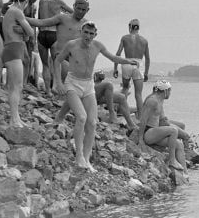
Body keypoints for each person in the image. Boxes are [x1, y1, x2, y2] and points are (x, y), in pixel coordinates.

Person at [54, 21, 138, 172]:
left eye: (91, 34)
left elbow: (113, 58)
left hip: (88, 85)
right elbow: (57, 61)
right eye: (86, 32)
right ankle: (78, 155)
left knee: (92, 122)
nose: (88, 36)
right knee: (81, 117)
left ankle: (87, 159)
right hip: (73, 83)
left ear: (95, 35)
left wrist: (127, 61)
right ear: (81, 31)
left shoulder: (97, 45)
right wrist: (58, 83)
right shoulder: (71, 45)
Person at [26, 0, 89, 96]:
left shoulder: (86, 24)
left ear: (87, 10)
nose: (80, 12)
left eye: (83, 10)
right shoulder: (62, 18)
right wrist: (22, 18)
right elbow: (42, 22)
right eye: (78, 8)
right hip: (62, 58)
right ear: (74, 7)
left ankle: (64, 103)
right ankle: (56, 91)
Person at [53, 70, 139, 131]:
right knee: (108, 85)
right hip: (82, 91)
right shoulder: (68, 56)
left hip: (93, 92)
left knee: (122, 97)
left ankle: (131, 124)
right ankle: (112, 114)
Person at [0, 0, 34, 128]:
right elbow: (30, 32)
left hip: (12, 49)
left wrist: (22, 31)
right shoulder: (16, 12)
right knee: (16, 87)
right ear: (24, 1)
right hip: (13, 49)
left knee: (15, 87)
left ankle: (16, 118)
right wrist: (24, 30)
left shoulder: (10, 12)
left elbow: (25, 36)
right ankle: (13, 120)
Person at [139, 80, 187, 173]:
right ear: (165, 91)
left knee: (179, 144)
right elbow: (143, 119)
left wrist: (166, 121)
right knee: (173, 130)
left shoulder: (159, 100)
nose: (170, 93)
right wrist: (140, 139)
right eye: (169, 90)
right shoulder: (152, 101)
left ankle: (185, 174)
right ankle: (172, 161)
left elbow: (161, 119)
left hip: (156, 133)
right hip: (148, 133)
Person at [36, 0, 73, 95]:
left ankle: (48, 90)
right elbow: (73, 12)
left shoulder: (41, 2)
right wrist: (62, 15)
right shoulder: (58, 1)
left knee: (45, 64)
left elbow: (39, 19)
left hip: (42, 34)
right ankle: (55, 86)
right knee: (56, 62)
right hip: (53, 33)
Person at [113, 19, 150, 118]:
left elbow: (118, 54)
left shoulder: (125, 38)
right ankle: (141, 117)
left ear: (130, 27)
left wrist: (115, 68)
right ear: (138, 28)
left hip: (127, 63)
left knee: (125, 88)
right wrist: (146, 73)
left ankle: (121, 110)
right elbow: (147, 58)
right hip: (138, 64)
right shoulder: (144, 40)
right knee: (138, 94)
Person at [22, 0, 40, 87]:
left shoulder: (33, 7)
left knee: (28, 59)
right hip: (20, 34)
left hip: (28, 35)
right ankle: (22, 82)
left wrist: (33, 38)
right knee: (24, 59)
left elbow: (33, 23)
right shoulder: (23, 4)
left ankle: (25, 81)